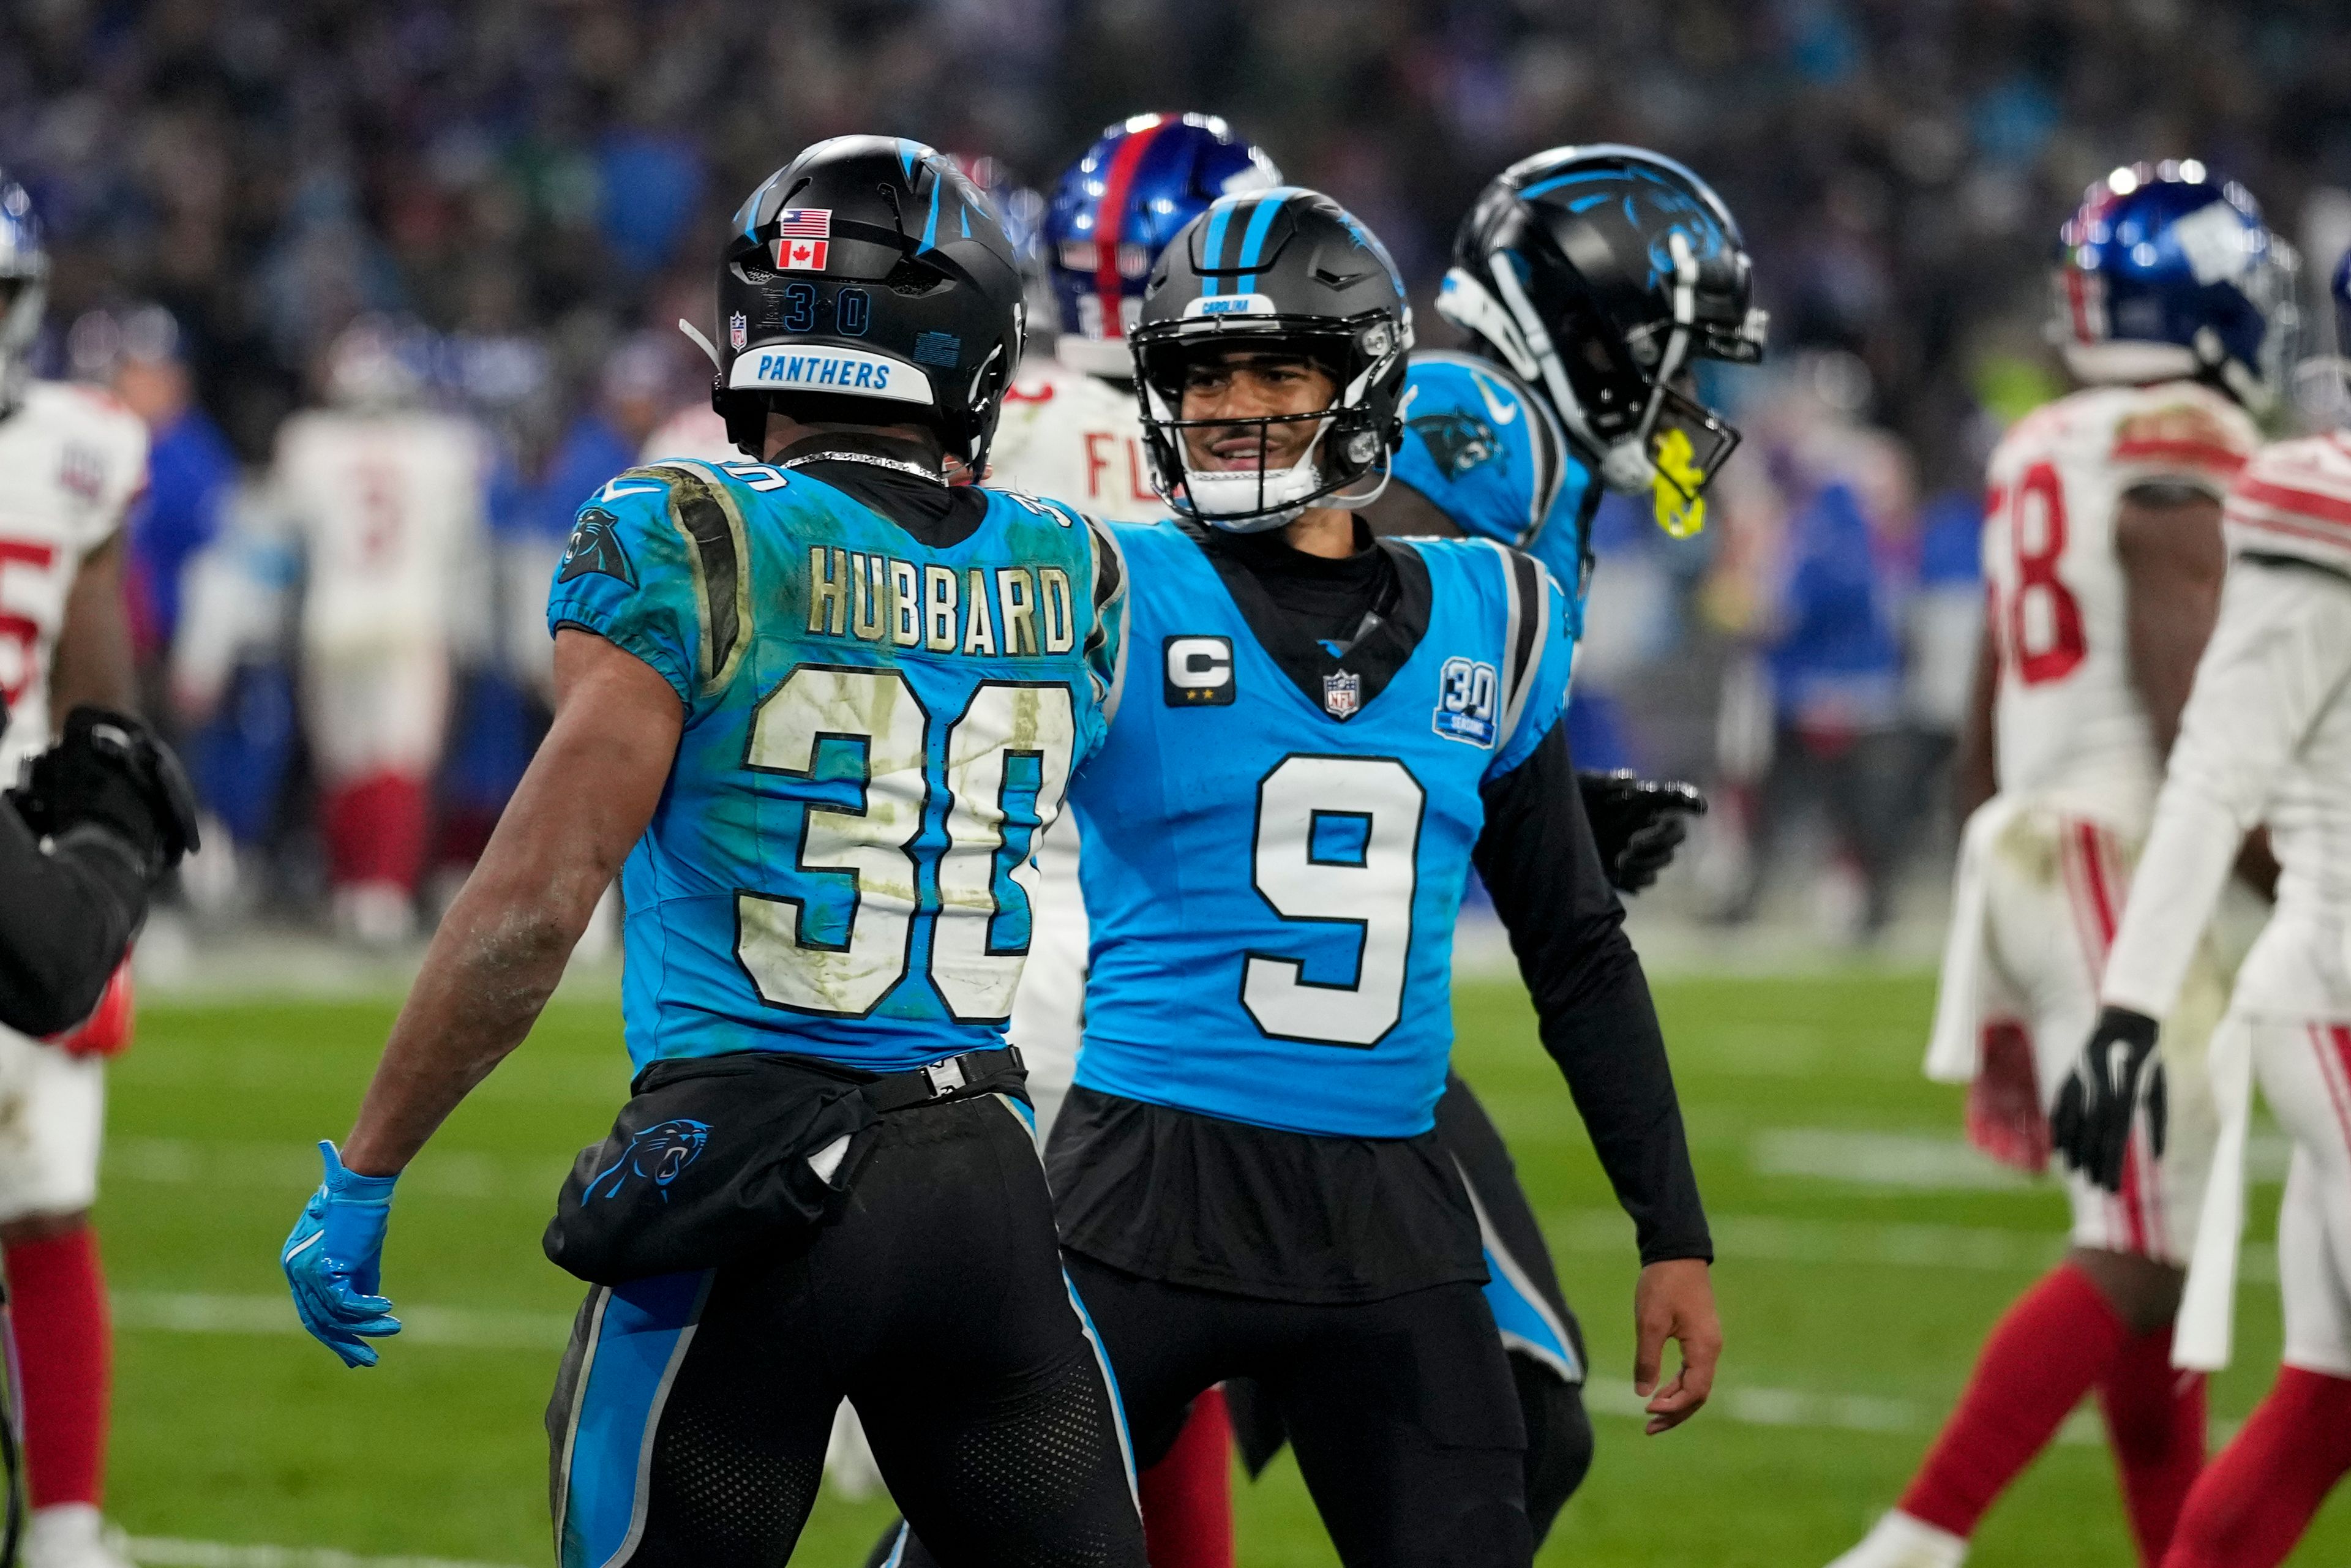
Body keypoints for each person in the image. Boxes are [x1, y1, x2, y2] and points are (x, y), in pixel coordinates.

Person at [278, 135, 1146, 1568]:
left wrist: (369, 1165)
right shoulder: (1072, 562)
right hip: (979, 1175)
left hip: (745, 1180)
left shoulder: (687, 528)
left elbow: (532, 904)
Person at [894, 185, 1718, 1568]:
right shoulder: (1106, 587)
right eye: (1202, 373)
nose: (1229, 404)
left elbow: (1574, 947)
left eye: (1273, 367)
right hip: (1139, 1193)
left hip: (1386, 1219)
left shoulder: (1491, 612)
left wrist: (1670, 1230)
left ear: (1362, 381)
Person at [1831, 162, 2292, 1568]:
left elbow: (1986, 688)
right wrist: (2282, 865)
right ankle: (1914, 1535)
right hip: (2118, 849)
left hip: (2029, 839)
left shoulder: (2040, 439)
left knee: (2158, 1251)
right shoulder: (2183, 431)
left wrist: (1992, 873)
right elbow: (2181, 678)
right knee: (2145, 1247)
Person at [2049, 246, 2351, 1568]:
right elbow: (2217, 766)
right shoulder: (2316, 498)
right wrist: (2128, 1005)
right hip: (2341, 994)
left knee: (2320, 1412)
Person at [0, 172, 159, 1568]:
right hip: (20, 859)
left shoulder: (80, 445)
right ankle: (58, 1524)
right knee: (44, 1203)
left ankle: (55, 1520)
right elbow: (98, 711)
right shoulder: (70, 447)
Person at [271, 317, 490, 945]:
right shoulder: (447, 447)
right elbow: (462, 546)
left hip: (332, 616)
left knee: (344, 763)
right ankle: (384, 894)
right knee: (400, 759)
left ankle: (350, 890)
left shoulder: (306, 442)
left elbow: (285, 536)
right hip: (410, 617)